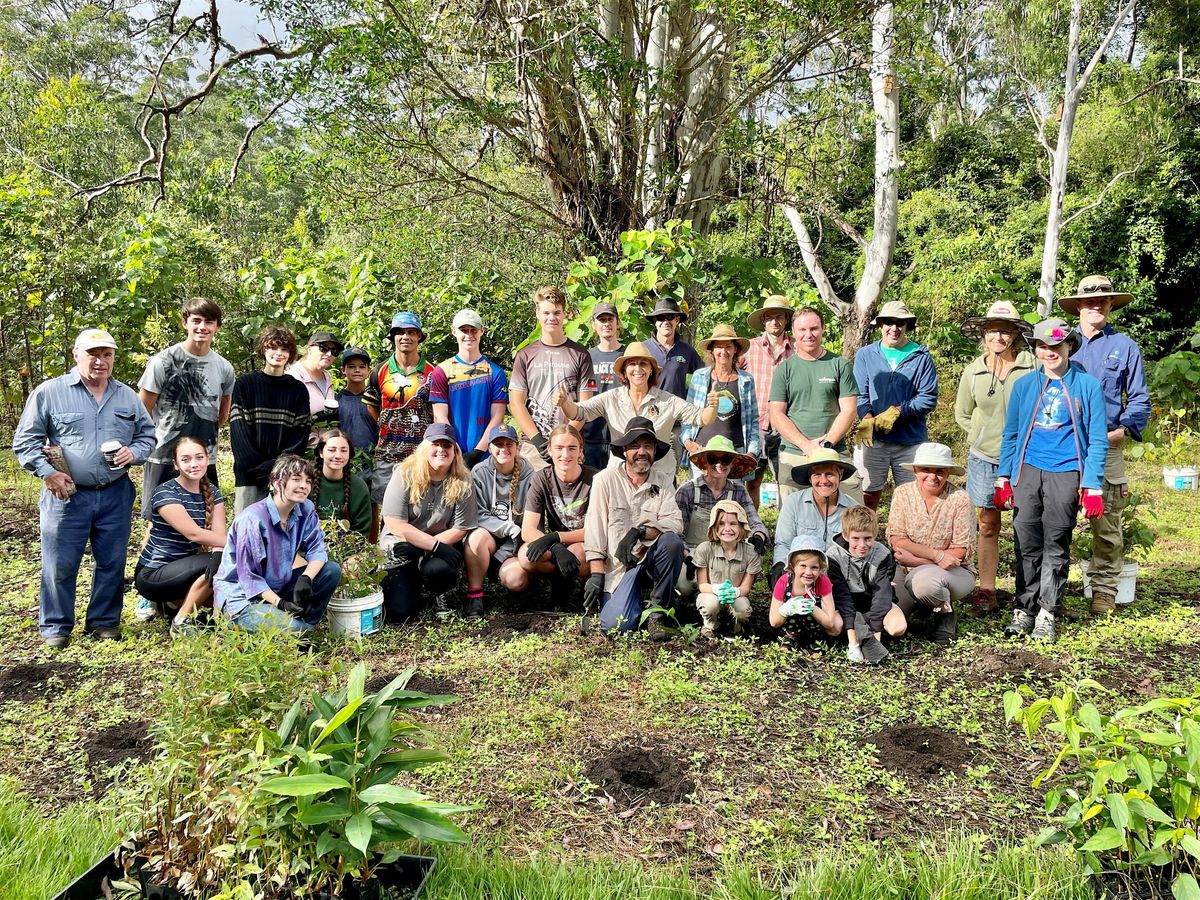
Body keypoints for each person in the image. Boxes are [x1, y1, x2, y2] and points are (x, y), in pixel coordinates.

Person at [13, 328, 156, 648]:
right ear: (76, 354)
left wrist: (134, 452)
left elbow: (147, 436)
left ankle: (103, 621)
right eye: (93, 354)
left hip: (115, 492)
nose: (100, 361)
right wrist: (48, 473)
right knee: (60, 564)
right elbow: (25, 441)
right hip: (66, 494)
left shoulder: (126, 396)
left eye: (107, 355)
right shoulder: (50, 392)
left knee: (112, 561)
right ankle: (56, 625)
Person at [996, 319, 1108, 642]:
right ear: (1036, 349)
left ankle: (1047, 612)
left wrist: (1093, 485)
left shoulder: (1087, 386)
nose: (1049, 352)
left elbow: (1098, 439)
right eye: (1042, 346)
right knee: (1026, 540)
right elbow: (1011, 434)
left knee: (1056, 540)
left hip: (1067, 469)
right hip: (1028, 469)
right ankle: (1024, 609)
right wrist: (1004, 477)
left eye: (1056, 345)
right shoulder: (1024, 386)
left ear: (1069, 346)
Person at [1060, 275, 1151, 613]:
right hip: (1063, 445)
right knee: (1056, 518)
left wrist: (1123, 430)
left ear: (1111, 304)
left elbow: (1139, 399)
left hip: (1107, 446)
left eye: (1103, 300)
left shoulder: (1125, 347)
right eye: (1089, 300)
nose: (1096, 305)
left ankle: (1104, 590)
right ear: (1078, 306)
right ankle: (1052, 588)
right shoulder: (1060, 342)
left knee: (1107, 522)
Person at [954, 301, 1036, 614]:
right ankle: (987, 589)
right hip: (984, 457)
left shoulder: (1032, 366)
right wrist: (981, 434)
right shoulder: (973, 371)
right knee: (988, 524)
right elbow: (963, 413)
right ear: (984, 333)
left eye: (1005, 330)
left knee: (1027, 523)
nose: (998, 337)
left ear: (1016, 334)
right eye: (992, 330)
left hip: (1026, 456)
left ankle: (1028, 590)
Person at [583, 417, 686, 639]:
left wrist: (641, 532)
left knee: (672, 542)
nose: (642, 452)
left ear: (655, 451)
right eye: (635, 446)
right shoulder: (604, 480)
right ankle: (634, 602)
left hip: (652, 562)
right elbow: (595, 527)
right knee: (616, 626)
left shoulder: (663, 481)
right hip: (618, 568)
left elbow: (675, 523)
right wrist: (596, 574)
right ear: (624, 451)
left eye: (648, 446)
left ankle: (658, 615)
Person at [556, 342, 718, 482]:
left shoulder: (668, 401)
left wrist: (712, 407)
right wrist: (564, 403)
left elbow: (702, 419)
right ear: (624, 371)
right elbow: (579, 412)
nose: (638, 369)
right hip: (620, 476)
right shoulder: (611, 398)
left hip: (659, 478)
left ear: (651, 370)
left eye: (643, 364)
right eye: (632, 364)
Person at [214, 454, 340, 633]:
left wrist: (305, 578)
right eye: (296, 479)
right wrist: (280, 604)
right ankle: (299, 629)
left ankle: (306, 624)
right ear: (275, 483)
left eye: (308, 481)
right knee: (296, 630)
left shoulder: (305, 508)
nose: (304, 486)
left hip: (278, 585)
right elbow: (249, 577)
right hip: (243, 598)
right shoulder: (252, 519)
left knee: (330, 571)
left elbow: (317, 549)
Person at [136, 296, 234, 519]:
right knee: (157, 522)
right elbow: (142, 411)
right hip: (164, 456)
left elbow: (221, 415)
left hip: (203, 458)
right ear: (185, 323)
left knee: (203, 519)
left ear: (217, 326)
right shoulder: (163, 361)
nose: (202, 327)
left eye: (209, 322)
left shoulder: (224, 368)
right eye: (196, 320)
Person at [378, 423, 476, 621]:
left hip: (441, 545)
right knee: (400, 613)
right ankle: (411, 581)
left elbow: (460, 528)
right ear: (424, 448)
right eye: (435, 444)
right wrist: (430, 546)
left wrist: (428, 548)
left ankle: (439, 592)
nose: (441, 449)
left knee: (438, 570)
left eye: (447, 445)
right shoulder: (404, 473)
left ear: (455, 451)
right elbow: (395, 524)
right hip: (401, 543)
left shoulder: (463, 480)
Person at [885, 442, 977, 646]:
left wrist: (916, 561)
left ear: (948, 473)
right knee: (892, 621)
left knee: (924, 584)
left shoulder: (960, 499)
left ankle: (945, 614)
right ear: (915, 470)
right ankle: (924, 607)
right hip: (906, 568)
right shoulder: (902, 493)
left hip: (954, 572)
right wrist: (937, 556)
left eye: (939, 471)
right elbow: (897, 539)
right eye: (926, 470)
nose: (932, 476)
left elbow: (961, 550)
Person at [134, 435, 227, 634]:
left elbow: (219, 533)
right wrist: (244, 544)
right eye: (186, 459)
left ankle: (172, 604)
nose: (194, 464)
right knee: (227, 559)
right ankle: (181, 621)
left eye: (199, 457)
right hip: (153, 574)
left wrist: (219, 552)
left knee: (222, 561)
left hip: (186, 568)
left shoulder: (213, 492)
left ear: (207, 459)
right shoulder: (165, 492)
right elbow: (194, 534)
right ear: (176, 464)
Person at [768, 307, 860, 501]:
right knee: (793, 512)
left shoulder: (839, 364)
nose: (808, 334)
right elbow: (776, 414)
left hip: (835, 451)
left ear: (823, 329)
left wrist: (826, 445)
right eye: (802, 330)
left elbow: (849, 410)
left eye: (814, 328)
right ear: (793, 333)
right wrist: (807, 446)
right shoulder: (784, 370)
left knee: (855, 511)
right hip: (794, 453)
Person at [853, 301, 939, 511]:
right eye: (888, 322)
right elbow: (859, 393)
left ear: (907, 325)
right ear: (880, 325)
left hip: (910, 441)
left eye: (900, 323)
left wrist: (898, 411)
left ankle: (905, 533)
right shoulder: (865, 354)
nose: (894, 328)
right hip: (873, 440)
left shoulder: (921, 356)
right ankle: (867, 532)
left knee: (913, 499)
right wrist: (866, 417)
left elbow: (928, 397)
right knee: (867, 496)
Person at [509, 286, 594, 471]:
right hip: (534, 446)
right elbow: (516, 403)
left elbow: (585, 406)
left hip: (570, 445)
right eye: (546, 313)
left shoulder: (581, 355)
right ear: (538, 314)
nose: (551, 318)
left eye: (556, 312)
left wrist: (564, 440)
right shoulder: (525, 355)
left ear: (564, 314)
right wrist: (539, 442)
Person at [228, 326, 312, 514]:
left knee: (282, 528)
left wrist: (276, 467)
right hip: (249, 477)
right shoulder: (245, 384)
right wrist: (259, 468)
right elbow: (239, 432)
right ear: (263, 349)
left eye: (284, 349)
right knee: (248, 527)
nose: (278, 353)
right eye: (273, 347)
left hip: (284, 478)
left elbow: (300, 436)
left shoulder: (298, 390)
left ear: (290, 354)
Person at [675, 437, 768, 601]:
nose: (719, 464)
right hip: (694, 551)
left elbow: (754, 521)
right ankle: (701, 595)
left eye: (725, 459)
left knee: (754, 551)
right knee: (684, 585)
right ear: (705, 462)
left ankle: (730, 594)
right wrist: (686, 556)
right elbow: (677, 531)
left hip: (728, 552)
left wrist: (759, 536)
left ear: (733, 463)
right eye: (713, 459)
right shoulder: (688, 490)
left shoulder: (739, 491)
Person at [516, 424, 597, 605]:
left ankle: (579, 588)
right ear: (550, 450)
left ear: (581, 451)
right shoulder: (541, 478)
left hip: (584, 543)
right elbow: (528, 530)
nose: (565, 454)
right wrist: (555, 546)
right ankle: (555, 581)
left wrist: (557, 537)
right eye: (559, 448)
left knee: (577, 552)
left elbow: (596, 530)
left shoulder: (595, 479)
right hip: (557, 545)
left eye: (572, 448)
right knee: (525, 556)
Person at [364, 311, 437, 503]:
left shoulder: (433, 372)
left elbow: (438, 412)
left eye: (411, 332)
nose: (406, 337)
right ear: (393, 336)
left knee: (420, 505)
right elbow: (371, 406)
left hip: (421, 454)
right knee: (382, 504)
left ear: (419, 336)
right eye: (400, 332)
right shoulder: (379, 371)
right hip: (387, 452)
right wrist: (387, 425)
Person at [464, 425, 534, 617]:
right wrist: (507, 528)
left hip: (517, 540)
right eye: (498, 444)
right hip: (490, 535)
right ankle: (475, 593)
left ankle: (522, 590)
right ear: (489, 448)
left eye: (508, 444)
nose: (504, 448)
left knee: (516, 580)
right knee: (476, 538)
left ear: (517, 446)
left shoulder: (529, 473)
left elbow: (530, 519)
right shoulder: (479, 472)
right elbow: (477, 514)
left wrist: (504, 552)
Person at [825, 505, 905, 665]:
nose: (862, 545)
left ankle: (869, 635)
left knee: (898, 627)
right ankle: (855, 637)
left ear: (874, 535)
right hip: (847, 607)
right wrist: (853, 644)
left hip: (873, 604)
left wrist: (875, 642)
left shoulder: (883, 554)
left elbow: (882, 595)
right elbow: (842, 597)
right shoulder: (833, 556)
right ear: (846, 535)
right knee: (834, 626)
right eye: (856, 538)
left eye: (868, 538)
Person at [430, 309, 508, 469]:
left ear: (482, 331)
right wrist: (455, 449)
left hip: (486, 456)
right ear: (454, 331)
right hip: (451, 453)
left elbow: (498, 416)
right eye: (464, 330)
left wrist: (477, 452)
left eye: (474, 330)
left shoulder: (496, 372)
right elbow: (440, 416)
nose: (469, 335)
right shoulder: (442, 370)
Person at [772, 449, 858, 586]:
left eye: (830, 474)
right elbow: (783, 543)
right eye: (817, 474)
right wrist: (780, 566)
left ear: (840, 475)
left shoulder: (853, 509)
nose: (823, 480)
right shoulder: (793, 502)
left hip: (841, 580)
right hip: (802, 577)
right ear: (810, 477)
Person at [683, 323, 761, 473]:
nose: (723, 351)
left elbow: (753, 420)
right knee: (701, 488)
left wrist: (751, 452)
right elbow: (688, 414)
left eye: (728, 347)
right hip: (702, 451)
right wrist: (688, 443)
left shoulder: (746, 380)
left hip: (734, 454)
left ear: (735, 349)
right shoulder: (699, 377)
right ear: (712, 350)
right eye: (719, 347)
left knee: (732, 490)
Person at [743, 295, 795, 507]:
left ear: (786, 320)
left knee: (786, 481)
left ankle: (786, 525)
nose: (775, 321)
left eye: (779, 316)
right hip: (757, 425)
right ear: (763, 320)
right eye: (770, 317)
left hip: (787, 424)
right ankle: (752, 523)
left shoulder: (797, 348)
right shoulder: (749, 348)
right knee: (753, 480)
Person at [693, 500, 760, 638]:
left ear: (741, 526)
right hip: (711, 593)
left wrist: (735, 592)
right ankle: (710, 625)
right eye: (721, 523)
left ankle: (736, 628)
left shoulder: (751, 553)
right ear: (714, 527)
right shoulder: (704, 549)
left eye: (733, 524)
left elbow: (746, 587)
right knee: (710, 605)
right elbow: (702, 584)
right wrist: (716, 589)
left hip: (737, 595)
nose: (727, 529)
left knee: (743, 610)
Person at [769, 536, 842, 648]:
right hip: (790, 627)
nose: (808, 572)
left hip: (815, 628)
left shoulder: (823, 582)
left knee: (836, 625)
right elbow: (773, 622)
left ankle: (815, 644)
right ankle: (788, 640)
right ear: (793, 566)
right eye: (803, 566)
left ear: (820, 568)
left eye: (814, 567)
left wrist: (810, 606)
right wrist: (787, 609)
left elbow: (829, 622)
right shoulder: (784, 582)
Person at [584, 302, 624, 470]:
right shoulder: (586, 357)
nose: (606, 323)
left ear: (618, 323)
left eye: (610, 319)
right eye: (602, 320)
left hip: (621, 435)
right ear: (593, 324)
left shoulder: (628, 356)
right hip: (592, 436)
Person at [312, 428, 372, 537]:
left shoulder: (359, 487)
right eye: (332, 450)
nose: (338, 456)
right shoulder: (306, 482)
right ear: (321, 452)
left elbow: (361, 533)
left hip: (346, 546)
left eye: (344, 450)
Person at [288, 330, 345, 444]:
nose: (329, 354)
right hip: (299, 447)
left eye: (334, 351)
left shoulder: (327, 377)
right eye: (323, 348)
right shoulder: (292, 376)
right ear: (309, 348)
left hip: (324, 447)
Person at [644, 298, 703, 399]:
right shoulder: (643, 349)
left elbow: (705, 374)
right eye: (661, 318)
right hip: (649, 407)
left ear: (677, 320)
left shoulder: (687, 351)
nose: (666, 322)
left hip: (677, 408)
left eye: (670, 317)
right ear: (655, 321)